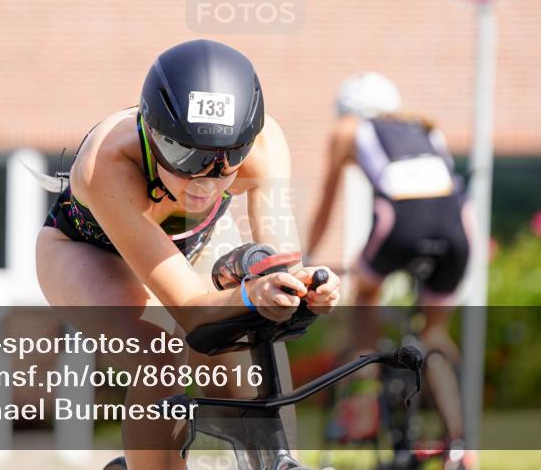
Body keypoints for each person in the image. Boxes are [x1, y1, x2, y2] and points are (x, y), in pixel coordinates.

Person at [35, 39, 340, 470]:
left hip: (191, 241)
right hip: (87, 251)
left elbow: (280, 264)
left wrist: (308, 287)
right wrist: (254, 294)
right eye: (183, 156)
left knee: (250, 345)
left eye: (226, 161)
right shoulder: (107, 160)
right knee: (158, 354)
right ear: (152, 132)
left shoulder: (263, 143)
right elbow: (192, 309)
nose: (204, 182)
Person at [306, 72, 473, 468]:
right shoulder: (424, 128)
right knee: (433, 335)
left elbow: (327, 204)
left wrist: (309, 256)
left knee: (364, 299)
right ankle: (461, 448)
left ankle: (360, 403)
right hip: (457, 228)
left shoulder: (349, 128)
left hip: (402, 222)